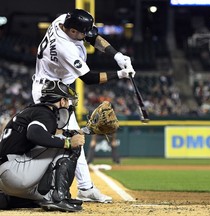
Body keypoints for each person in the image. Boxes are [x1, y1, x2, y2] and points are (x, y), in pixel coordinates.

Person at [32, 8, 135, 203]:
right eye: (81, 32)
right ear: (72, 31)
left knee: (74, 137)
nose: (86, 35)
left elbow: (93, 37)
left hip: (56, 88)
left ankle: (85, 188)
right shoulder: (65, 48)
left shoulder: (63, 20)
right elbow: (89, 78)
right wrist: (119, 74)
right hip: (49, 93)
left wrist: (116, 55)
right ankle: (45, 185)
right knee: (69, 139)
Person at [0, 80, 85, 212]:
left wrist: (82, 132)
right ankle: (59, 197)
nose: (68, 104)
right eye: (67, 100)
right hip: (14, 171)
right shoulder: (46, 113)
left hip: (6, 175)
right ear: (62, 101)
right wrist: (68, 142)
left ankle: (7, 199)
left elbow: (44, 134)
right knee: (70, 144)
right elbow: (34, 133)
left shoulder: (34, 111)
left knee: (43, 198)